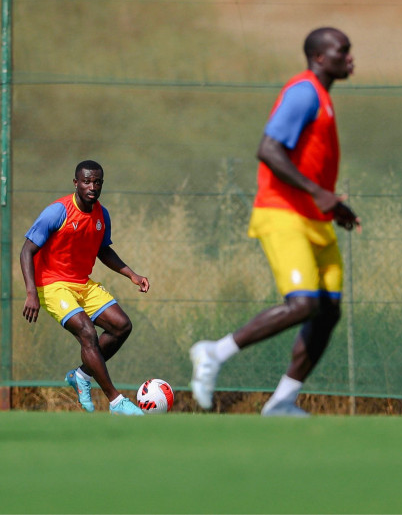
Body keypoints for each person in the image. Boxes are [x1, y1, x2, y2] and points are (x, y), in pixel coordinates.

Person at [189, 27, 360, 417]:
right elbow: (267, 149)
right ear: (319, 57)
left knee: (328, 311)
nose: (350, 58)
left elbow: (310, 167)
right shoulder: (303, 92)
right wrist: (319, 194)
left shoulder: (323, 98)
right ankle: (214, 352)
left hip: (314, 219)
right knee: (303, 303)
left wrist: (332, 205)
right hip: (281, 213)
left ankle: (282, 402)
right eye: (343, 51)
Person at [21, 160, 149, 416]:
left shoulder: (102, 215)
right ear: (76, 183)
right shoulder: (58, 211)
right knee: (87, 332)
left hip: (81, 282)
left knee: (121, 326)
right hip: (52, 284)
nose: (93, 186)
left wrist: (131, 274)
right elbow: (26, 250)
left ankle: (81, 375)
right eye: (87, 181)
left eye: (98, 182)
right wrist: (31, 292)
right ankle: (116, 402)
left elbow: (103, 250)